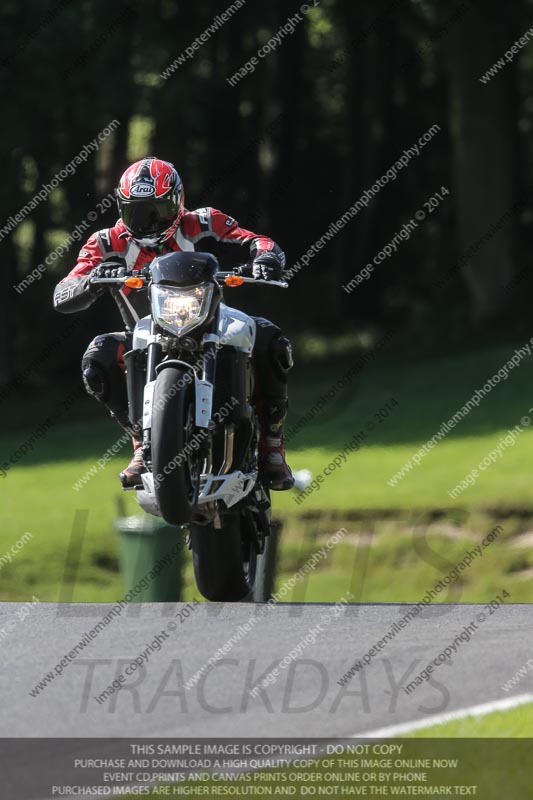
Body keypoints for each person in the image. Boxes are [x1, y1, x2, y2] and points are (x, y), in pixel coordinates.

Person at [53, 157, 294, 491]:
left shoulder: (203, 221)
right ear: (122, 208)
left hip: (211, 323)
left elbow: (256, 239)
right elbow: (64, 289)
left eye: (157, 210)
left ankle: (272, 444)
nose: (148, 221)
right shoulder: (105, 242)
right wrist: (92, 281)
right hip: (143, 333)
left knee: (269, 337)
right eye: (137, 212)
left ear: (177, 202)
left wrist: (265, 258)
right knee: (98, 357)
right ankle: (141, 442)